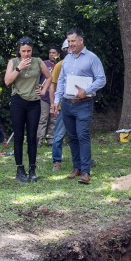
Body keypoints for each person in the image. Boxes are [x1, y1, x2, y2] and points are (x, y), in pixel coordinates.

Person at [54, 28, 106, 184]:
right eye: (68, 41)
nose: (70, 44)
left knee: (83, 136)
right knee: (72, 138)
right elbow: (61, 81)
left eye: (73, 41)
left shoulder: (92, 58)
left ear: (81, 41)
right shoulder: (67, 60)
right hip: (67, 104)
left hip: (84, 104)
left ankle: (85, 171)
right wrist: (57, 100)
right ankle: (76, 168)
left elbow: (101, 79)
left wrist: (87, 90)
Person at [4, 37, 53, 182]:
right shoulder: (13, 62)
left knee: (32, 136)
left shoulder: (38, 61)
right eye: (23, 51)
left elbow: (49, 77)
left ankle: (32, 169)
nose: (26, 54)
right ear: (19, 51)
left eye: (29, 51)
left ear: (32, 50)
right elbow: (7, 81)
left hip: (34, 103)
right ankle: (20, 169)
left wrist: (43, 90)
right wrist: (19, 68)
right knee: (18, 136)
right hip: (18, 101)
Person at [50, 39, 69, 170]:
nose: (70, 50)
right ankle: (56, 161)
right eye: (67, 48)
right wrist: (53, 104)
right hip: (63, 106)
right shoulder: (59, 66)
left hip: (78, 105)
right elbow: (53, 86)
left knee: (81, 135)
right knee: (58, 135)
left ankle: (85, 160)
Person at [36, 45, 60, 145]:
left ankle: (50, 140)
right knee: (43, 118)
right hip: (44, 96)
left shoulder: (60, 65)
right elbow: (38, 78)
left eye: (53, 53)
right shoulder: (44, 64)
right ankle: (39, 140)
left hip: (56, 96)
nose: (51, 54)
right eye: (50, 52)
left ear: (58, 54)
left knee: (54, 119)